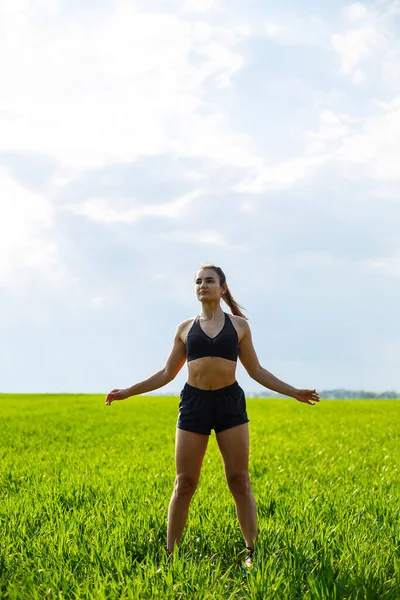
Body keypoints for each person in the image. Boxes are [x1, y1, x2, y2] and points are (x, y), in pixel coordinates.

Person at [105, 264, 320, 566]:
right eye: (198, 281)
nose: (203, 285)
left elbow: (256, 371)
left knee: (239, 480)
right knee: (185, 483)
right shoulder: (184, 328)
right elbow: (167, 373)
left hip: (229, 403)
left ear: (222, 288)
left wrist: (293, 391)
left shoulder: (239, 327)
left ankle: (252, 553)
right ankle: (171, 556)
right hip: (194, 404)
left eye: (209, 281)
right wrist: (129, 390)